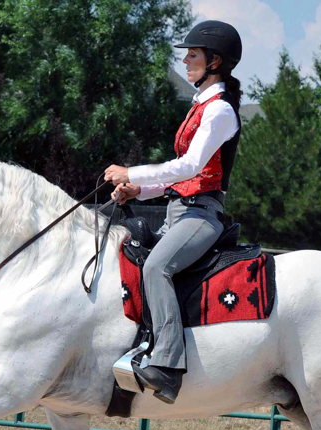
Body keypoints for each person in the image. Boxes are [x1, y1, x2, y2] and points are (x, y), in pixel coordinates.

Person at [104, 20, 243, 404]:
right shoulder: (201, 107)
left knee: (156, 267)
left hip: (201, 215)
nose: (185, 61)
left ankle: (167, 367)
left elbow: (189, 166)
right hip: (178, 210)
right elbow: (181, 178)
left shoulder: (220, 111)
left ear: (215, 61)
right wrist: (140, 190)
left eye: (192, 55)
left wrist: (131, 172)